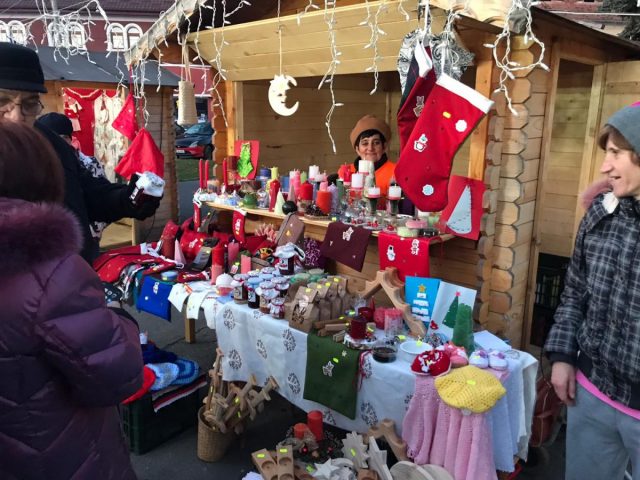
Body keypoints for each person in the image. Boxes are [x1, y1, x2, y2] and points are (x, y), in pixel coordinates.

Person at [0, 120, 143, 479]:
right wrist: (121, 319)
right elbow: (118, 374)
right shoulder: (52, 273)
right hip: (60, 454)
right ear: (43, 177)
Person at [544, 104, 640, 479]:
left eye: (615, 153)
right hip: (593, 392)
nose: (605, 166)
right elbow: (575, 291)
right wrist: (563, 356)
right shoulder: (601, 214)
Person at [0, 41, 160, 263]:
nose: (17, 116)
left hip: (72, 271)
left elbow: (89, 195)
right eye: (3, 101)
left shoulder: (51, 144)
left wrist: (129, 199)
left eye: (29, 103)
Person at [38, 111, 110, 242]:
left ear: (71, 139)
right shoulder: (35, 167)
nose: (58, 142)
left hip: (86, 235)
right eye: (53, 138)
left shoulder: (89, 163)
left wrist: (90, 231)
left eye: (63, 137)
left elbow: (103, 197)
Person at [348, 114, 396, 198]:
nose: (370, 148)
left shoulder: (395, 173)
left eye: (376, 143)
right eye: (365, 143)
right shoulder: (348, 172)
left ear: (384, 147)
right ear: (357, 149)